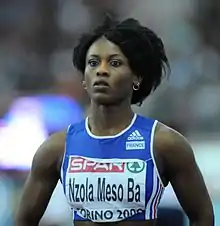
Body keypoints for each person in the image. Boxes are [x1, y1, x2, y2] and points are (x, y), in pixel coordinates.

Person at [15, 16, 214, 226]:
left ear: (137, 77)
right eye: (93, 63)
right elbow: (24, 220)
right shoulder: (57, 147)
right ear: (84, 77)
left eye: (115, 63)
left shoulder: (165, 144)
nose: (101, 70)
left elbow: (203, 217)